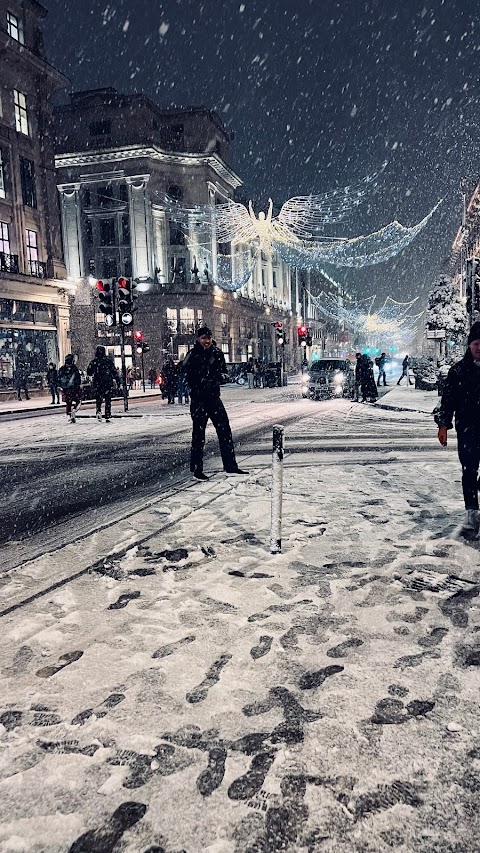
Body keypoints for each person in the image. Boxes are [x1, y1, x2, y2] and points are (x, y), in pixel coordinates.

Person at [182, 326, 248, 480]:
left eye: (208, 338)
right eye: (204, 338)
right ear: (198, 339)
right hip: (199, 399)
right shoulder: (193, 355)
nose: (206, 341)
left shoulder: (217, 353)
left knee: (225, 430)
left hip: (213, 397)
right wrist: (200, 382)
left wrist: (219, 379)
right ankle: (197, 469)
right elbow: (186, 373)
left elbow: (224, 372)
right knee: (199, 434)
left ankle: (230, 466)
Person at [435, 322, 480, 532]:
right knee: (469, 470)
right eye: (476, 343)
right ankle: (472, 512)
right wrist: (443, 424)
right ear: (470, 345)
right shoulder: (459, 371)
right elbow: (448, 400)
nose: (479, 347)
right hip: (468, 429)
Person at [87, 345, 120, 423]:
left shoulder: (94, 361)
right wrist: (118, 382)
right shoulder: (108, 361)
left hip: (98, 383)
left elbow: (89, 372)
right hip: (107, 383)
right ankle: (107, 414)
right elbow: (114, 372)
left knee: (98, 399)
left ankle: (98, 411)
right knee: (108, 399)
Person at [58, 354, 82, 423]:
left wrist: (61, 386)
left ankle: (69, 415)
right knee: (78, 400)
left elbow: (59, 378)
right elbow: (77, 378)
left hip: (66, 389)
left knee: (68, 402)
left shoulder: (62, 369)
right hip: (73, 388)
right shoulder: (74, 368)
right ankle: (73, 410)